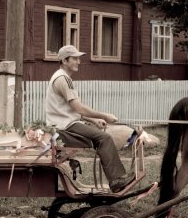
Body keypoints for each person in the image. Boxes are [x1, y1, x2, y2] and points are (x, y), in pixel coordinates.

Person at [45, 45, 136, 193]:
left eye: (78, 58)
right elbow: (79, 108)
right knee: (104, 138)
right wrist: (104, 115)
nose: (78, 61)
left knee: (99, 138)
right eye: (75, 58)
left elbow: (71, 110)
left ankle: (116, 179)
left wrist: (93, 120)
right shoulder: (62, 79)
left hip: (65, 123)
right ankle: (117, 180)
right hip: (65, 126)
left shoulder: (61, 77)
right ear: (64, 60)